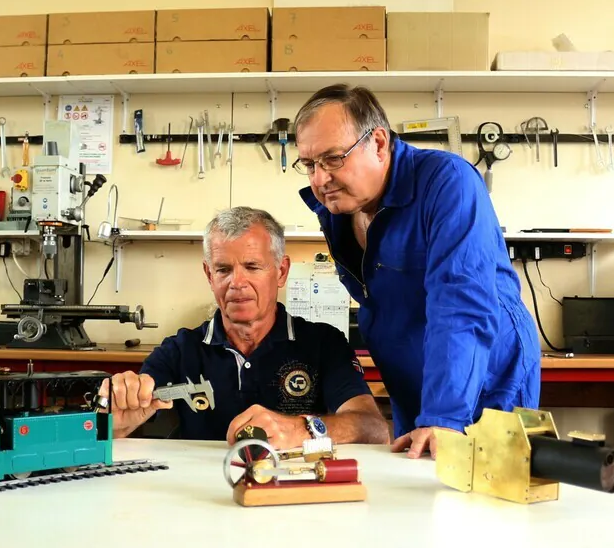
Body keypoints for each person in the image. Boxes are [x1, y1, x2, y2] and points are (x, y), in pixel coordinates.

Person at [292, 84, 541, 459]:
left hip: (484, 377)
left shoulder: (448, 182)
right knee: (417, 498)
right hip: (414, 380)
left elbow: (461, 303)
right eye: (309, 164)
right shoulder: (342, 207)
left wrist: (444, 414)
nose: (318, 179)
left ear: (377, 143)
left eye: (332, 159)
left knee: (490, 493)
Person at [101, 206, 389, 449]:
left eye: (252, 267)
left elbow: (373, 429)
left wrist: (300, 429)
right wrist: (117, 421)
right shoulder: (179, 351)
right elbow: (110, 429)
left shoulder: (323, 343)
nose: (236, 283)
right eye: (223, 269)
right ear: (209, 275)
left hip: (294, 497)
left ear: (281, 271)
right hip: (200, 498)